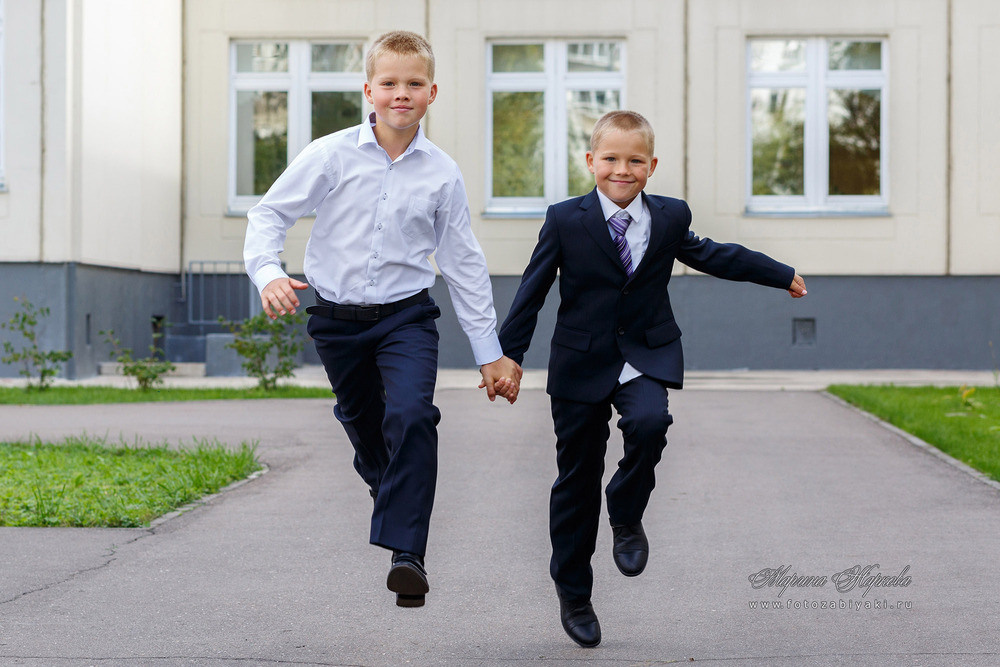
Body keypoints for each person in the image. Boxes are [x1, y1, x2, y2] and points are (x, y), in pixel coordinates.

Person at [496, 110, 806, 647]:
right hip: (580, 362)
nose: (623, 170)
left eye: (635, 160)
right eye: (611, 159)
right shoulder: (565, 219)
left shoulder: (669, 217)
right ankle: (575, 593)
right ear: (591, 161)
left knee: (650, 422)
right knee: (577, 480)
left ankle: (626, 510)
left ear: (652, 166)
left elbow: (714, 255)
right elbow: (533, 288)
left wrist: (778, 274)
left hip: (643, 353)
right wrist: (507, 356)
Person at [244, 30, 522, 609]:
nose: (402, 93)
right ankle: (392, 493)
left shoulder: (442, 173)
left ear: (432, 93)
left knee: (413, 415)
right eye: (389, 83)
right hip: (336, 320)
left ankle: (408, 556)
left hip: (406, 318)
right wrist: (268, 273)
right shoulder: (330, 154)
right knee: (363, 423)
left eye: (414, 84)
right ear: (368, 90)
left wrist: (489, 352)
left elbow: (463, 263)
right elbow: (270, 214)